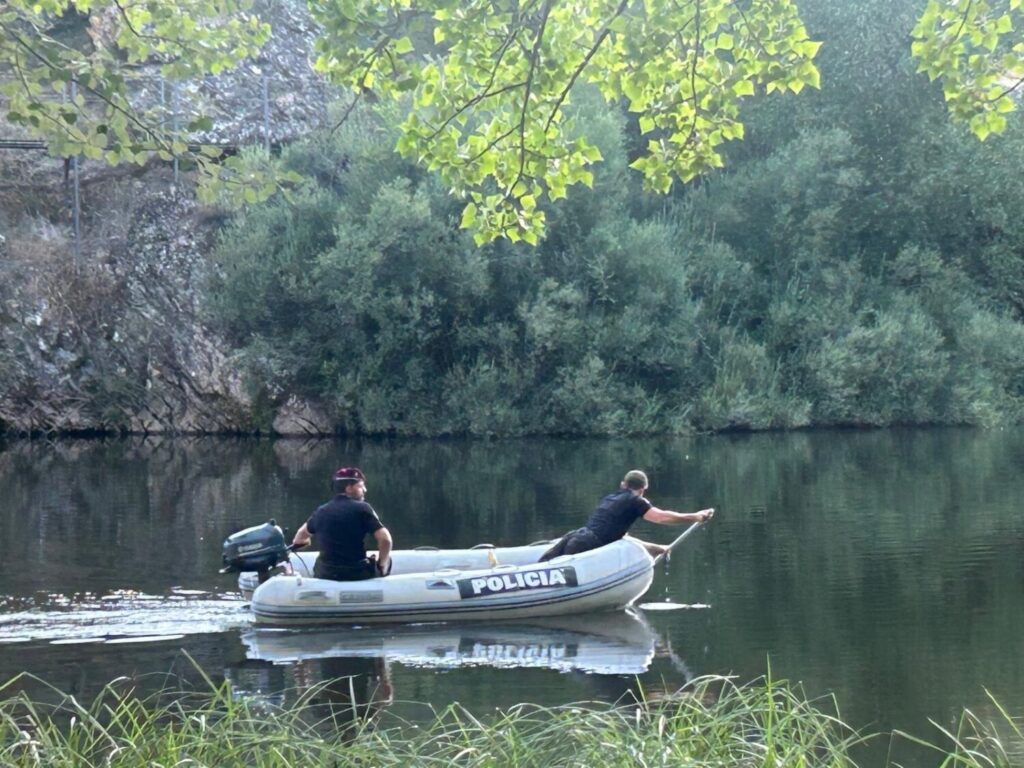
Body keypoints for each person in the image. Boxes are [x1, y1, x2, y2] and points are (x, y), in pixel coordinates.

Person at [540, 469, 713, 561]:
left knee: (542, 566)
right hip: (586, 545)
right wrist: (696, 516)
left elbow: (623, 539)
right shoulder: (636, 501)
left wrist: (657, 548)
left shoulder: (612, 497)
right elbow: (662, 517)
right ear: (643, 490)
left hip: (575, 537)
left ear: (623, 484)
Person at [292, 466, 393, 581]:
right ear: (349, 488)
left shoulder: (321, 510)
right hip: (356, 573)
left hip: (326, 574)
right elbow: (386, 540)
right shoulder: (363, 508)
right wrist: (381, 564)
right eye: (361, 486)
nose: (365, 490)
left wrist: (306, 542)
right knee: (387, 560)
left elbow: (299, 539)